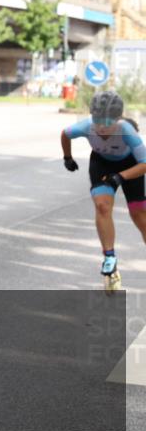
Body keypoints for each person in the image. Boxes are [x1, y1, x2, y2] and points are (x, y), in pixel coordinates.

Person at [61, 90, 146, 293]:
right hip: (101, 164)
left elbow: (145, 163)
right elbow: (65, 134)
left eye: (107, 123)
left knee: (139, 215)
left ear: (118, 119)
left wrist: (121, 176)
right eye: (97, 121)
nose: (101, 127)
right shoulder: (86, 126)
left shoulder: (127, 131)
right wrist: (67, 157)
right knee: (102, 206)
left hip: (132, 166)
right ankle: (109, 258)